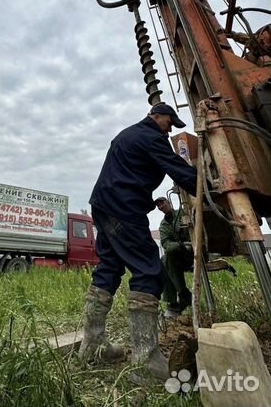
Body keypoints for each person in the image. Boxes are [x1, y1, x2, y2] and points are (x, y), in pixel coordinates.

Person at [79, 103, 197, 382]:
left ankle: (92, 347)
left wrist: (146, 200)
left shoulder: (127, 135)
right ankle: (146, 359)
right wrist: (209, 188)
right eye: (170, 122)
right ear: (156, 116)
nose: (171, 129)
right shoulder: (151, 137)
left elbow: (124, 174)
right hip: (123, 210)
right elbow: (176, 168)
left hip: (104, 206)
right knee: (149, 272)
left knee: (108, 269)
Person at [155, 196, 193, 318]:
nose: (161, 206)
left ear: (169, 202)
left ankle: (181, 297)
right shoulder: (164, 225)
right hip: (180, 256)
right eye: (159, 206)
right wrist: (181, 245)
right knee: (164, 261)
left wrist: (191, 243)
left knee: (166, 260)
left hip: (194, 252)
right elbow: (166, 244)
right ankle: (177, 299)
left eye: (163, 203)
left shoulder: (183, 213)